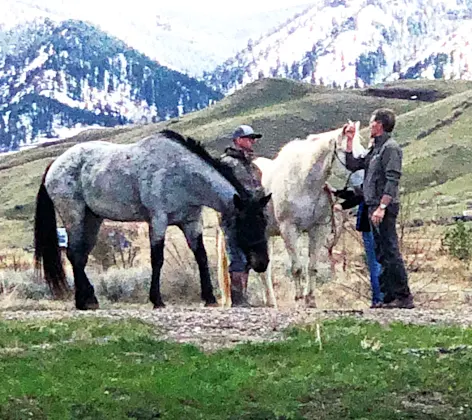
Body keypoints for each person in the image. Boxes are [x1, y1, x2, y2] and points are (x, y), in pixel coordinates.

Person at [343, 108, 414, 309]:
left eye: (372, 122)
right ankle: (388, 297)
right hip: (372, 206)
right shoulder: (375, 149)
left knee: (390, 250)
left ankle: (403, 296)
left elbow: (392, 180)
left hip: (384, 208)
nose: (369, 125)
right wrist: (349, 141)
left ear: (379, 125)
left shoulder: (391, 149)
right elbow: (353, 164)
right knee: (381, 251)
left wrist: (382, 206)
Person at [219, 124, 264, 307]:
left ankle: (242, 297)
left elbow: (258, 190)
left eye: (253, 139)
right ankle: (237, 300)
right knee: (237, 258)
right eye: (248, 138)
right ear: (238, 140)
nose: (252, 142)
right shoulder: (226, 164)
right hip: (234, 218)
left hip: (251, 222)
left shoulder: (252, 166)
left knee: (247, 259)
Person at [331, 181, 384, 308]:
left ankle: (378, 299)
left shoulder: (372, 176)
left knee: (374, 263)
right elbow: (358, 193)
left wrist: (342, 206)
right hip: (378, 225)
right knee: (379, 261)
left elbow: (360, 196)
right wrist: (335, 192)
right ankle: (382, 297)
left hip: (369, 225)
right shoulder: (379, 179)